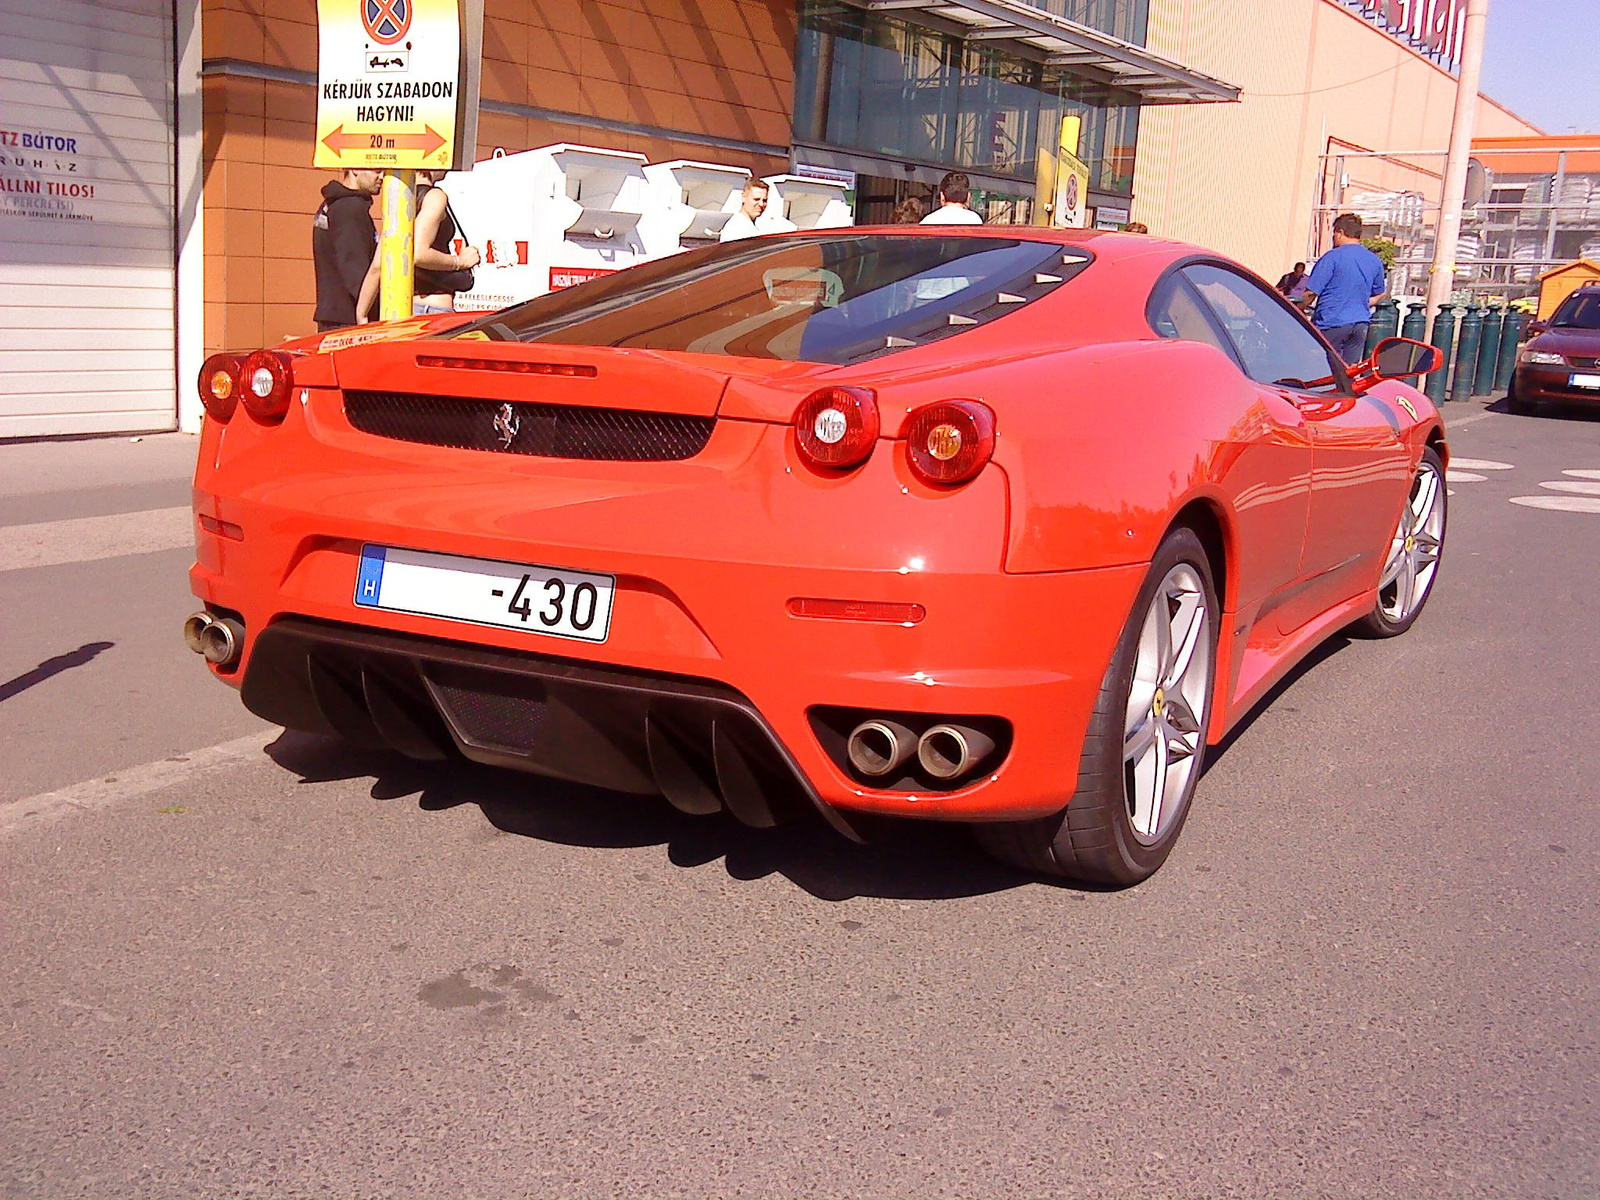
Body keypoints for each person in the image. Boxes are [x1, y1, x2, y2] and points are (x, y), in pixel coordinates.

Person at [1303, 213, 1386, 362]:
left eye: (1334, 233)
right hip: (1360, 324)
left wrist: (1298, 308)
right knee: (1349, 372)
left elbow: (1311, 293)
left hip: (1331, 322)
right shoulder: (1374, 260)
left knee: (1325, 371)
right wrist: (1361, 303)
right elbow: (1380, 294)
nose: (1334, 237)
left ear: (1340, 232)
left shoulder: (1332, 257)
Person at [311, 167, 382, 331]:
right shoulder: (350, 208)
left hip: (335, 316)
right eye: (376, 171)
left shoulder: (333, 204)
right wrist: (369, 311)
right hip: (350, 320)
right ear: (355, 169)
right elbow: (356, 272)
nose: (382, 177)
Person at [411, 170, 480, 314]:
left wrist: (362, 314)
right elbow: (418, 253)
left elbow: (377, 265)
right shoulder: (434, 196)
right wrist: (459, 261)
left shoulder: (398, 197)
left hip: (405, 305)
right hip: (431, 307)